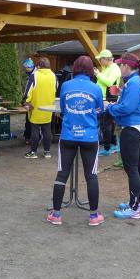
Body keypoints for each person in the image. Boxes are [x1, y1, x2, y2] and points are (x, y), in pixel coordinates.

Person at [46, 56, 105, 226]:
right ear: (91, 70)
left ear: (75, 68)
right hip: (89, 136)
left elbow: (63, 109)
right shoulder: (96, 88)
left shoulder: (66, 85)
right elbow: (100, 110)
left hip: (68, 135)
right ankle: (93, 216)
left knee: (62, 173)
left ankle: (56, 214)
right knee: (91, 175)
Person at [106, 53, 140, 219]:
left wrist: (109, 107)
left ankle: (134, 207)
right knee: (138, 167)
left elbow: (127, 108)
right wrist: (120, 96)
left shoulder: (134, 82)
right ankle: (138, 202)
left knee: (132, 168)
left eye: (120, 65)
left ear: (126, 66)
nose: (119, 67)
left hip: (132, 128)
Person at [24, 57, 57, 159]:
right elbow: (55, 89)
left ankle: (33, 152)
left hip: (35, 107)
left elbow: (28, 91)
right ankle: (47, 152)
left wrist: (25, 101)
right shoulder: (53, 76)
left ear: (38, 66)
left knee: (35, 131)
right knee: (47, 131)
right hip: (49, 108)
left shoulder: (34, 75)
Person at [94, 49, 121, 155]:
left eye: (101, 59)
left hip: (109, 99)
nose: (100, 61)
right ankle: (111, 145)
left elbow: (109, 82)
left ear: (105, 59)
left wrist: (98, 74)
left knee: (107, 124)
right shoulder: (108, 68)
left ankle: (108, 148)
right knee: (105, 124)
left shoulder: (114, 69)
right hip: (104, 99)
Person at [20, 58, 37, 144]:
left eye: (27, 68)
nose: (26, 70)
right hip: (31, 101)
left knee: (32, 121)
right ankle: (28, 137)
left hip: (32, 102)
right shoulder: (30, 74)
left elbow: (28, 89)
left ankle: (30, 138)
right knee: (29, 120)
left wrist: (24, 100)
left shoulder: (34, 76)